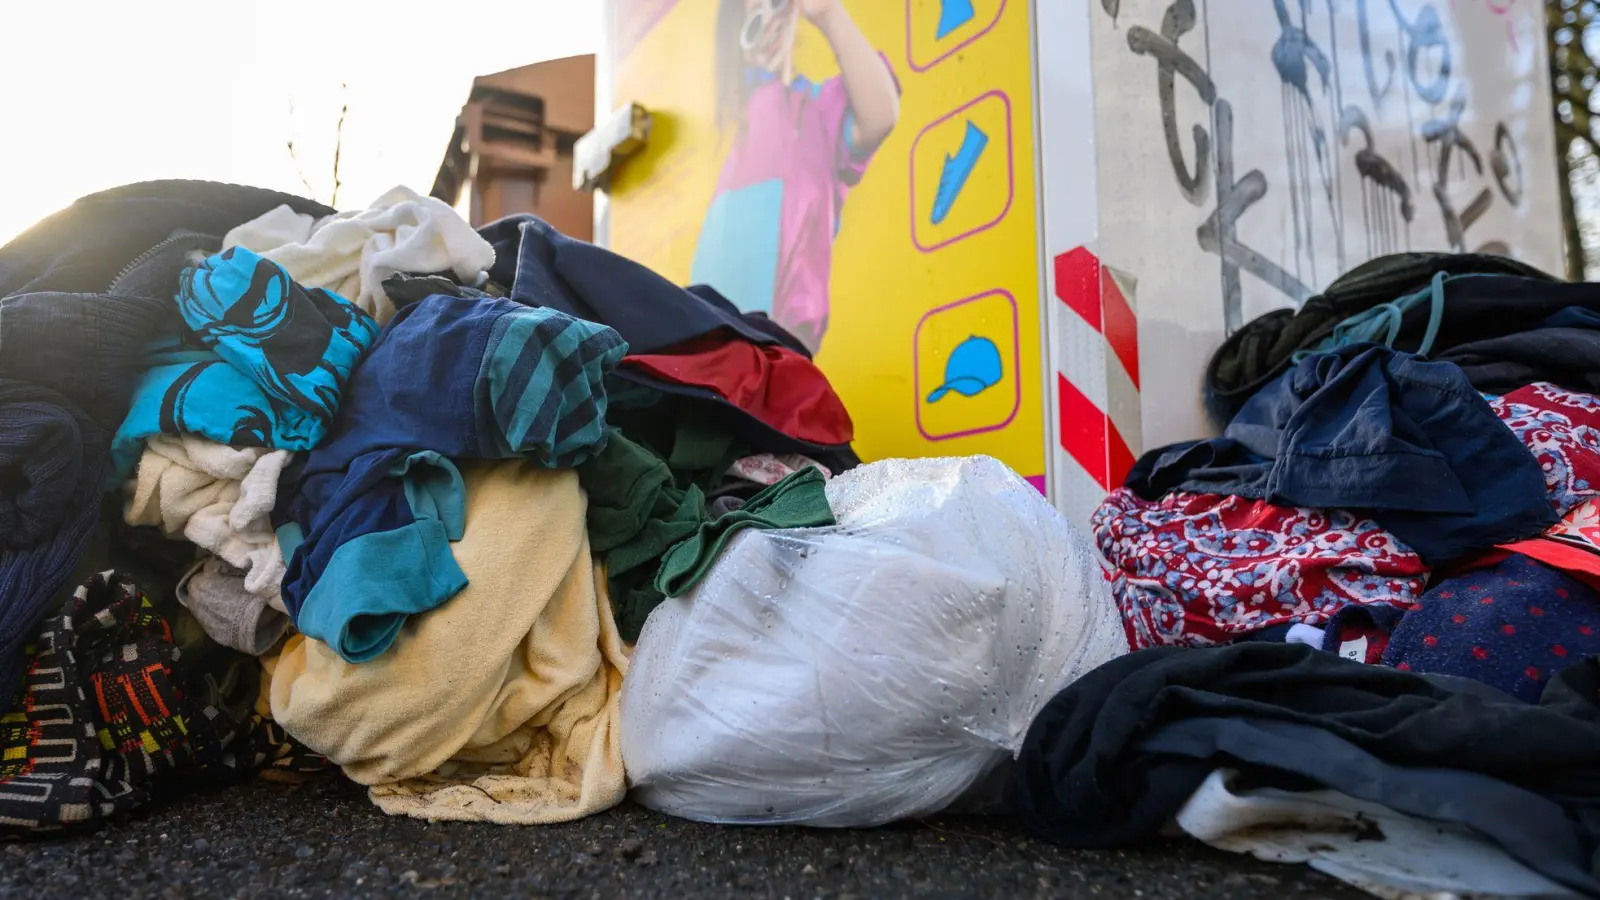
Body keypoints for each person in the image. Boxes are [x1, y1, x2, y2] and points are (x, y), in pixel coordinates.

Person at [691, 0, 900, 354]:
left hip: (783, 357)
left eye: (775, 6)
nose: (769, 27)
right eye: (753, 23)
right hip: (719, 361)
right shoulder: (728, 134)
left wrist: (830, 16)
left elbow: (880, 116)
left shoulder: (813, 110)